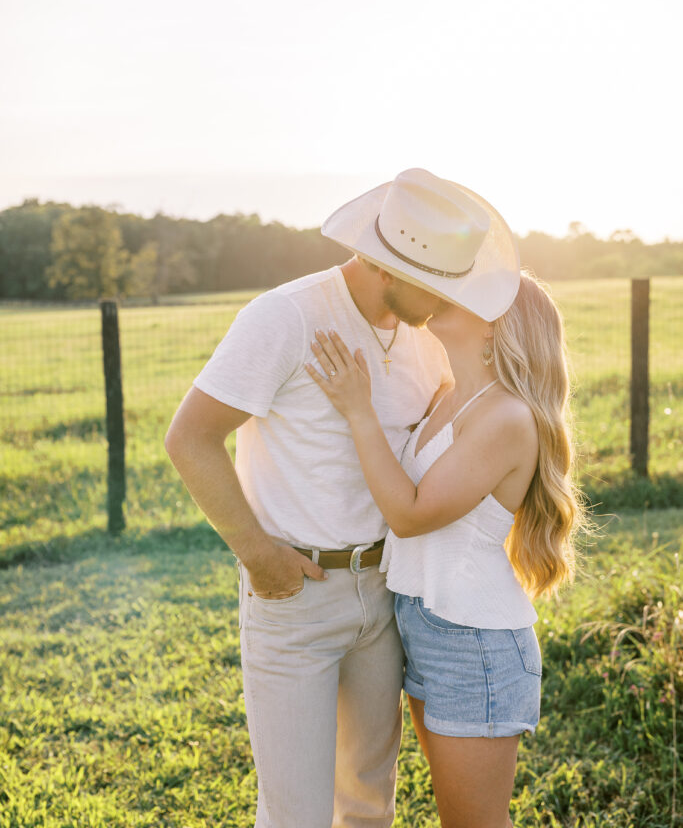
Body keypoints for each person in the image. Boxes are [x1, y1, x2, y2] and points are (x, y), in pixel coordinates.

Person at [165, 168, 480, 828]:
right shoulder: (288, 314)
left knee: (368, 800)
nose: (453, 299)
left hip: (385, 596)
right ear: (387, 265)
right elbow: (190, 439)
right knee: (296, 815)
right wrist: (259, 556)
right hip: (296, 596)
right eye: (440, 283)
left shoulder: (426, 338)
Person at [306, 208, 585, 825]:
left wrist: (357, 410)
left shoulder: (507, 419)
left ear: (496, 328)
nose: (447, 295)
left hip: (474, 642)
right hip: (426, 624)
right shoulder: (453, 393)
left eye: (471, 294)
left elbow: (408, 514)